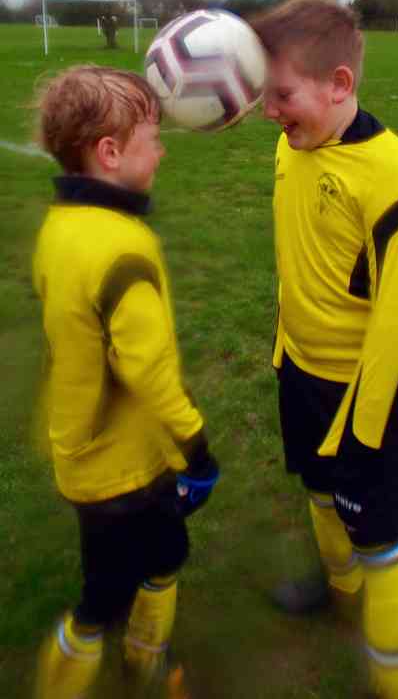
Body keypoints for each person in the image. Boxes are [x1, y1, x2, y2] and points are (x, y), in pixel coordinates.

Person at [251, 0, 398, 699]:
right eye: (265, 96)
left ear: (340, 86)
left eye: (283, 96)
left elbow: (391, 328)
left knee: (378, 533)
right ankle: (338, 589)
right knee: (320, 494)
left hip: (369, 390)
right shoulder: (292, 141)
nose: (270, 112)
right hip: (299, 369)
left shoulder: (394, 181)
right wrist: (283, 356)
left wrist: (364, 430)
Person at [32, 65, 219, 699]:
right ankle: (84, 674)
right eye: (153, 137)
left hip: (83, 452)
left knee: (159, 559)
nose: (163, 149)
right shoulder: (123, 249)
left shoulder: (59, 228)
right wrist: (197, 449)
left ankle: (144, 659)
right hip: (127, 464)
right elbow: (149, 369)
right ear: (110, 153)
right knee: (106, 596)